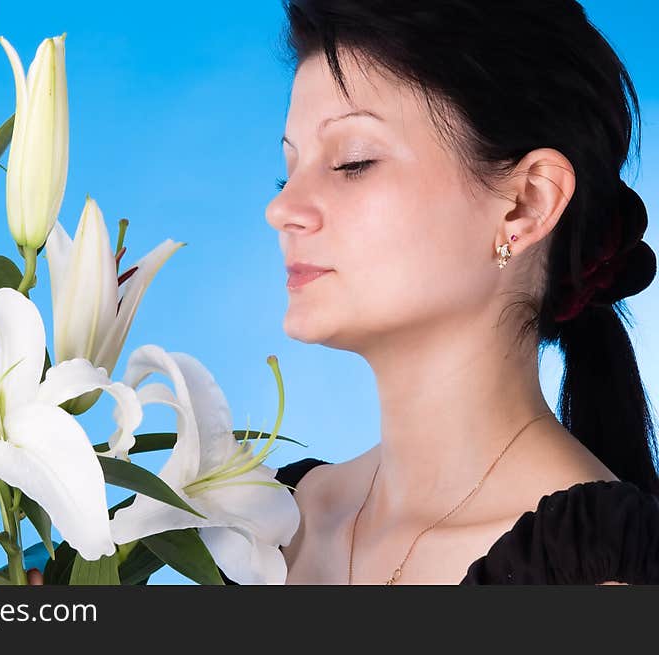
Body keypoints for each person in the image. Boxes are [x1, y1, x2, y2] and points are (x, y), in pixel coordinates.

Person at [264, 0, 659, 585]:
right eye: (288, 170)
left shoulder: (597, 572)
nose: (282, 209)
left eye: (353, 162)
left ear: (526, 203)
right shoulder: (270, 520)